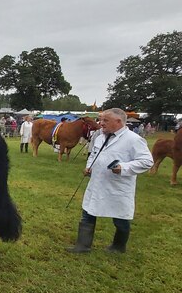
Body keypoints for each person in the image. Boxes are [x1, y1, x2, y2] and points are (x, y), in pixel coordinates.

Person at [66, 108, 153, 254]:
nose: (101, 123)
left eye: (105, 120)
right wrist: (89, 167)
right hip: (97, 183)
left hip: (117, 186)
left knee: (120, 218)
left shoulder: (133, 139)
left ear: (118, 122)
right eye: (101, 120)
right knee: (88, 212)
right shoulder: (100, 137)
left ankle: (118, 246)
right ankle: (83, 245)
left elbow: (146, 161)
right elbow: (93, 155)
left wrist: (123, 167)